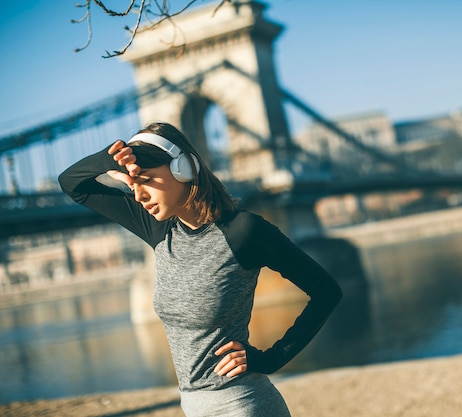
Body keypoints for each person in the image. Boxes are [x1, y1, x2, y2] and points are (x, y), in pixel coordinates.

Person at [58, 121, 343, 417]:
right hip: (192, 406)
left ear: (183, 169)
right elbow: (72, 184)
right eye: (133, 186)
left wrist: (271, 359)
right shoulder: (159, 229)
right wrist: (111, 158)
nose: (139, 196)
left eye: (145, 180)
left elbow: (326, 291)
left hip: (243, 405)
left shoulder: (243, 231)